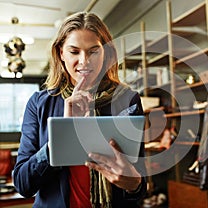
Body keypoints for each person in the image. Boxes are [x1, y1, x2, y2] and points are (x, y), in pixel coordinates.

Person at [13, 12, 146, 208]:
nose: (84, 61)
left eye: (93, 51)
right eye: (74, 52)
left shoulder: (128, 100)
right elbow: (23, 184)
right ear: (61, 53)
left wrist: (133, 184)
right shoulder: (38, 103)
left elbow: (139, 184)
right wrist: (62, 135)